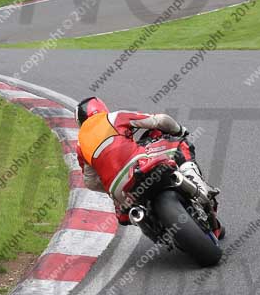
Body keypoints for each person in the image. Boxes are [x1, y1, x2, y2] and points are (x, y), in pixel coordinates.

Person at [75, 97, 222, 231]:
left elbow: (91, 182)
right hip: (139, 166)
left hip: (119, 191)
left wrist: (110, 186)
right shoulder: (114, 117)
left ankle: (152, 226)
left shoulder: (80, 145)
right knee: (180, 145)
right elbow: (160, 121)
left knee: (124, 217)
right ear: (102, 108)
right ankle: (201, 187)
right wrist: (180, 130)